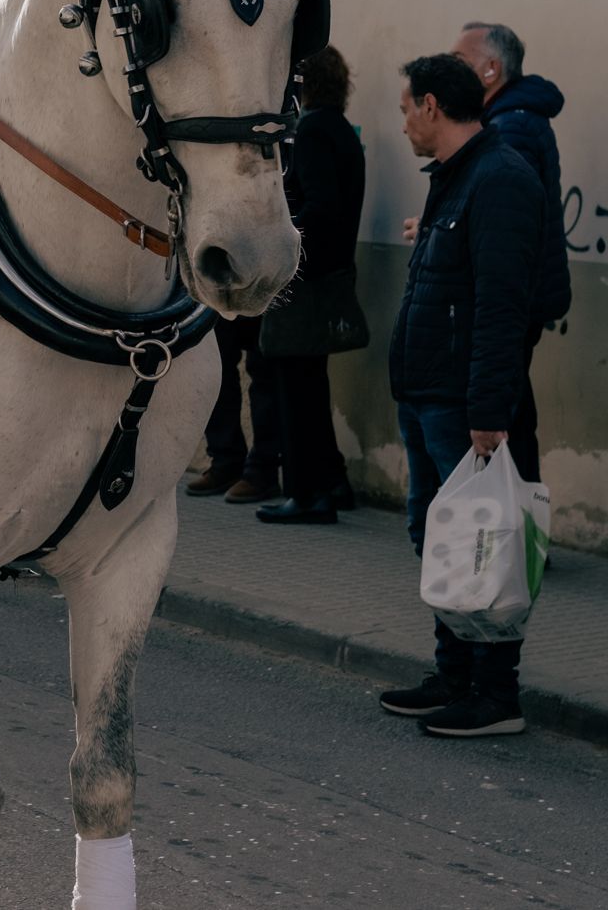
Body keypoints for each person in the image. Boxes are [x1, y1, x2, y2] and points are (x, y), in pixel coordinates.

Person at [378, 53, 546, 738]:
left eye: (405, 107)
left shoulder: (500, 178)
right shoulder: (455, 176)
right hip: (427, 394)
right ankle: (453, 673)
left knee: (484, 549)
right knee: (440, 540)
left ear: (431, 108)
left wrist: (487, 411)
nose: (404, 121)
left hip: (462, 404)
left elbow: (504, 308)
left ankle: (495, 691)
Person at [451, 22, 571, 483]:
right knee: (516, 414)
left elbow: (504, 217)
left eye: (460, 61)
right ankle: (522, 537)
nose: (449, 69)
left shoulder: (511, 127)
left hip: (513, 295)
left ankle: (515, 539)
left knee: (507, 418)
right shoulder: (513, 118)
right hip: (526, 292)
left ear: (490, 70)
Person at [255, 46, 367, 524]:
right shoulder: (339, 128)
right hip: (326, 276)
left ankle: (305, 494)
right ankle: (333, 482)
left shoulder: (316, 129)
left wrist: (283, 237)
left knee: (294, 389)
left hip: (303, 281)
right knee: (310, 386)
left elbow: (320, 207)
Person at [184, 320, 285, 502]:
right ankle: (226, 463)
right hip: (217, 294)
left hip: (264, 298)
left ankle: (262, 470)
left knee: (262, 366)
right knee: (215, 363)